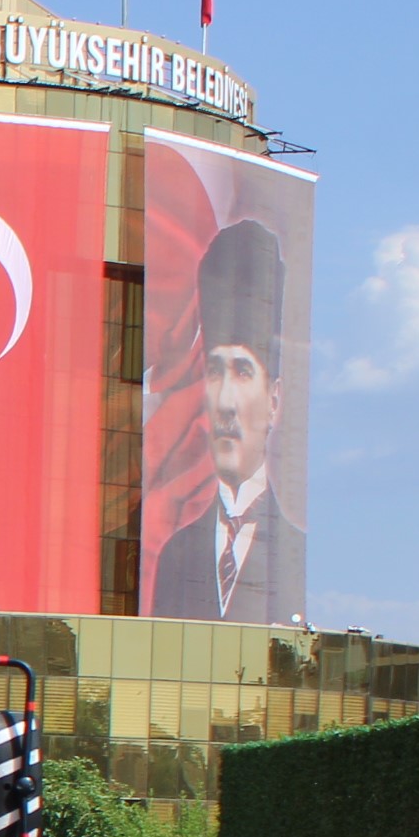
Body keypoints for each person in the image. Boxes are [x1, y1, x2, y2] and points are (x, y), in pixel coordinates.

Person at [148, 216, 306, 624]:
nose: (226, 402)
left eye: (243, 371)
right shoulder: (176, 554)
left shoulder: (297, 552)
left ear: (274, 399)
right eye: (215, 372)